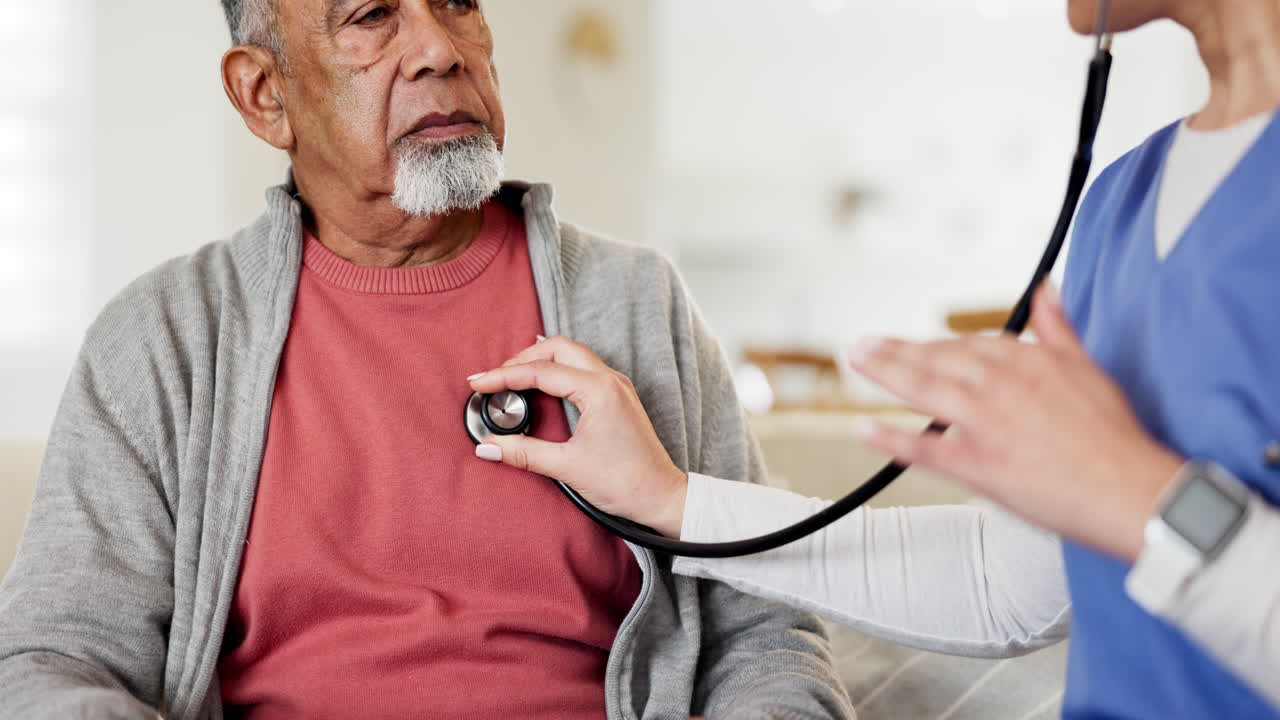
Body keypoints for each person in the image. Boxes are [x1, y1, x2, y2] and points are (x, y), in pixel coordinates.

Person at [0, 1, 856, 718]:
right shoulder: (162, 340)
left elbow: (768, 636)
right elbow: (53, 660)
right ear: (265, 95)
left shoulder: (638, 303)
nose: (440, 49)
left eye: (456, 1)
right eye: (372, 16)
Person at [466, 0, 1280, 717]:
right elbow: (1004, 585)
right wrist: (675, 501)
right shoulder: (1121, 202)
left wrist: (1147, 497)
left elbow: (1131, 504)